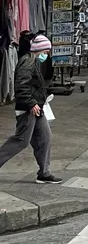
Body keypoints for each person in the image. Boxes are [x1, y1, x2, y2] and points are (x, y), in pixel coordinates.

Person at [0, 35, 61, 184]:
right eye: (45, 52)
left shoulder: (32, 61)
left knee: (45, 138)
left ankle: (44, 173)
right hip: (29, 109)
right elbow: (21, 86)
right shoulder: (27, 62)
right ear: (39, 50)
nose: (46, 55)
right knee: (21, 140)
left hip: (36, 107)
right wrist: (31, 103)